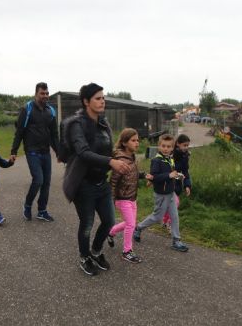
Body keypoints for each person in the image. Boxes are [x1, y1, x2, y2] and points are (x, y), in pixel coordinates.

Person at [62, 83, 132, 276]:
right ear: (86, 101)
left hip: (102, 182)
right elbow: (83, 152)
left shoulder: (103, 123)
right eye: (98, 98)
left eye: (103, 98)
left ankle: (95, 251)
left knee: (109, 221)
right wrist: (111, 162)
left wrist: (121, 158)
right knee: (87, 224)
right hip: (83, 184)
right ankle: (84, 257)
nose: (103, 101)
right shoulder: (76, 125)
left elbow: (108, 150)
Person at [10, 82, 58, 221]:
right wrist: (14, 151)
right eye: (42, 93)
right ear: (36, 94)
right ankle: (28, 205)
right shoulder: (27, 109)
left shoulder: (51, 111)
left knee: (46, 183)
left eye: (47, 93)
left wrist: (59, 152)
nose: (45, 96)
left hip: (45, 152)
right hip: (32, 151)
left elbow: (54, 134)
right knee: (38, 180)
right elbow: (19, 131)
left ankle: (42, 211)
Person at [133, 134, 189, 252]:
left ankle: (176, 240)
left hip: (171, 193)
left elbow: (171, 174)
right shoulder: (156, 160)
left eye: (168, 146)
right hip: (161, 195)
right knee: (157, 217)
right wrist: (169, 175)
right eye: (163, 146)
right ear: (159, 146)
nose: (166, 149)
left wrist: (179, 176)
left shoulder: (170, 158)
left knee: (174, 217)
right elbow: (154, 177)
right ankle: (138, 228)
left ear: (172, 148)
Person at [106, 128, 146, 263]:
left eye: (138, 140)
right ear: (124, 143)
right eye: (133, 140)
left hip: (132, 197)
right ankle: (127, 251)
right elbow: (113, 182)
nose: (137, 143)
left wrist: (144, 175)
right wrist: (111, 201)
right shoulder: (121, 160)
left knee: (130, 223)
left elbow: (132, 173)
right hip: (122, 198)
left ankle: (110, 232)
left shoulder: (131, 156)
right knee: (131, 224)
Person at [163, 134, 192, 230]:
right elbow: (166, 169)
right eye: (184, 145)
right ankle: (168, 222)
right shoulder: (171, 154)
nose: (186, 147)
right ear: (178, 144)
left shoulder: (185, 156)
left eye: (187, 145)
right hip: (167, 183)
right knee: (175, 203)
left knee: (171, 204)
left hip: (177, 185)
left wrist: (187, 185)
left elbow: (185, 172)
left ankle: (165, 221)